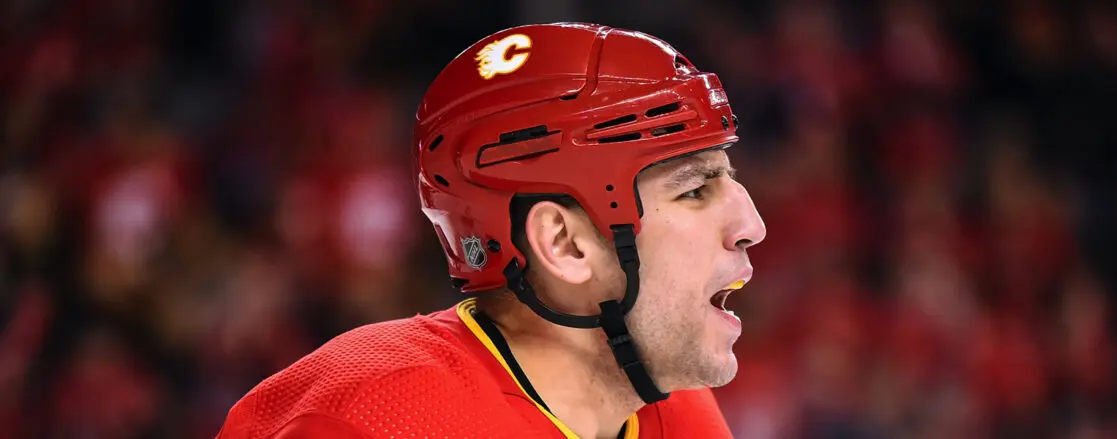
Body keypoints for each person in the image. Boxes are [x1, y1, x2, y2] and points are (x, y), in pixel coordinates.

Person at [216, 22, 766, 439]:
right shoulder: (369, 421)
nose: (752, 226)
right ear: (564, 244)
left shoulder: (672, 409)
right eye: (694, 189)